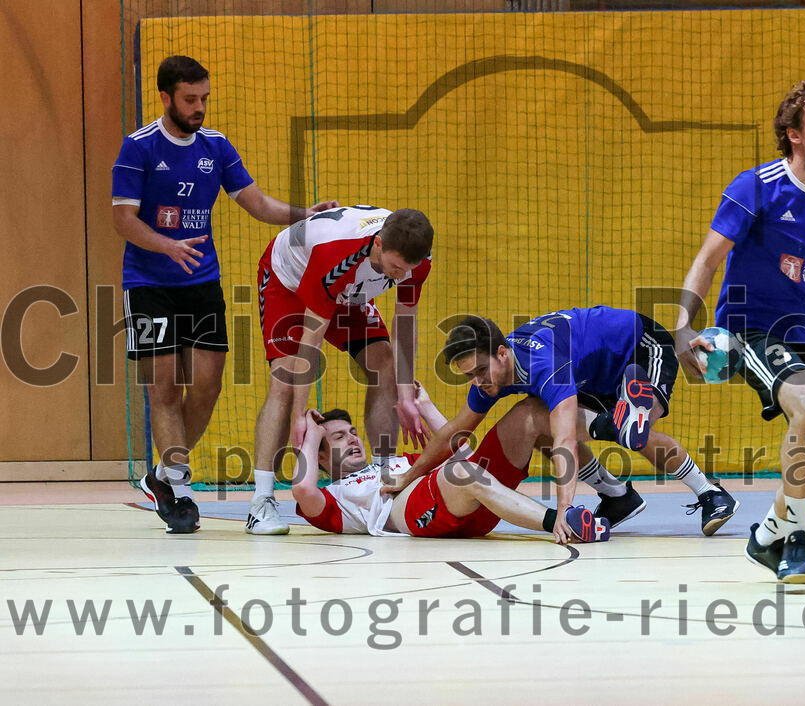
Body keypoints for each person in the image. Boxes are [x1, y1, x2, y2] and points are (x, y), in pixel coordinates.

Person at [113, 55, 338, 534]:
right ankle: (179, 486)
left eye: (205, 98)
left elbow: (255, 203)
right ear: (166, 97)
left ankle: (162, 474)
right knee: (165, 390)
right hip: (149, 285)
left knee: (208, 388)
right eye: (190, 99)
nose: (199, 108)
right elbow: (123, 220)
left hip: (201, 283)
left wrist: (306, 213)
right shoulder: (138, 148)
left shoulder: (215, 146)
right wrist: (167, 246)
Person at [675, 81, 805, 583]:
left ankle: (768, 537)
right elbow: (707, 259)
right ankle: (798, 541)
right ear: (793, 135)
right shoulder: (757, 186)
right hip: (752, 328)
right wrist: (683, 328)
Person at [380, 307, 738, 541]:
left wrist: (565, 508)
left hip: (638, 344)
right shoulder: (494, 375)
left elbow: (566, 438)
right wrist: (407, 478)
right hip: (593, 372)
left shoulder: (544, 364)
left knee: (634, 432)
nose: (477, 381)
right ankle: (617, 495)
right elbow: (454, 432)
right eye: (470, 375)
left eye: (480, 370)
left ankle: (710, 492)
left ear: (502, 353)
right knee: (552, 422)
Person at [246, 205, 434, 535]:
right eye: (394, 268)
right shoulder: (336, 253)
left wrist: (406, 395)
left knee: (386, 365)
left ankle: (384, 475)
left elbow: (405, 320)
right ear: (378, 244)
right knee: (286, 381)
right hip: (288, 280)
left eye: (407, 270)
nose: (400, 276)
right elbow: (312, 338)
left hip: (350, 290)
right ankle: (261, 502)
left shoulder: (415, 261)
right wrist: (301, 414)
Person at [291, 386, 610, 543]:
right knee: (463, 473)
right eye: (337, 437)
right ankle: (563, 523)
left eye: (353, 433)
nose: (351, 439)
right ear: (319, 456)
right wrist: (312, 432)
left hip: (472, 503)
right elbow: (303, 488)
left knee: (529, 412)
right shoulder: (333, 497)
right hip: (420, 518)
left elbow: (467, 454)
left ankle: (612, 431)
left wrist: (426, 407)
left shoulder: (397, 464)